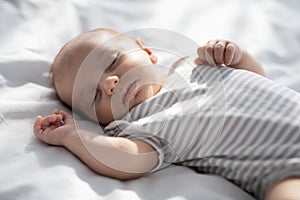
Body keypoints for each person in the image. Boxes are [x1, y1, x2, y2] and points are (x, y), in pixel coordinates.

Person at [33, 28, 300, 200]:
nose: (109, 83)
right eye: (94, 96)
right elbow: (126, 160)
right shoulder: (136, 127)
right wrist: (72, 136)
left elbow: (256, 78)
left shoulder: (195, 65)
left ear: (146, 51)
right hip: (281, 168)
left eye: (112, 62)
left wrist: (236, 55)